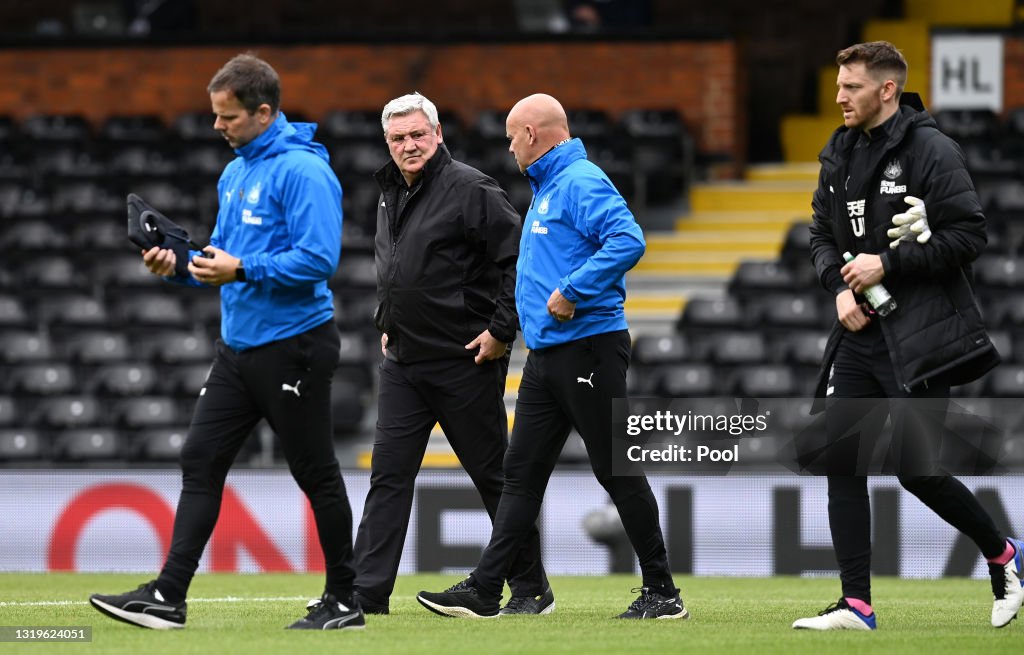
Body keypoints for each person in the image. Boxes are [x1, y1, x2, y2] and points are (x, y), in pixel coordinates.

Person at [89, 54, 364, 631]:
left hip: (295, 344)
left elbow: (319, 260)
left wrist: (240, 271)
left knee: (314, 470)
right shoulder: (235, 171)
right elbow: (220, 257)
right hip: (238, 349)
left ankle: (345, 600)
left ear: (263, 113)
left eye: (227, 117)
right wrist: (179, 265)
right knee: (200, 458)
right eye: (216, 116)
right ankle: (168, 596)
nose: (217, 127)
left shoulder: (303, 171)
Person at [416, 93, 687, 620]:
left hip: (588, 347)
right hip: (548, 356)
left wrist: (574, 289)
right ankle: (487, 588)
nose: (510, 146)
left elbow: (628, 239)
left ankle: (663, 591)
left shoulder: (579, 181)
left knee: (616, 471)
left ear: (533, 136)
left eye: (513, 136)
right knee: (520, 476)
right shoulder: (549, 187)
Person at [795, 40, 1022, 631]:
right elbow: (820, 232)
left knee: (916, 470)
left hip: (919, 339)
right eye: (839, 85)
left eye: (851, 86)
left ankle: (1002, 553)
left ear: (887, 89)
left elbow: (969, 236)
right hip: (860, 335)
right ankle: (856, 605)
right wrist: (839, 287)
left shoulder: (931, 149)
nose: (840, 96)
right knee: (841, 460)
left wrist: (885, 264)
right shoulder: (839, 150)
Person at [353, 92, 551, 616]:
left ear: (437, 134)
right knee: (388, 477)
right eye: (398, 138)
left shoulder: (471, 188)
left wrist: (502, 331)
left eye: (418, 134)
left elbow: (519, 259)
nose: (408, 145)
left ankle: (532, 589)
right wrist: (387, 321)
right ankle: (366, 593)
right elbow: (395, 267)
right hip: (403, 362)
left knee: (493, 479)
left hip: (466, 359)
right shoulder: (388, 189)